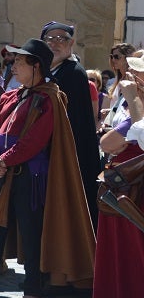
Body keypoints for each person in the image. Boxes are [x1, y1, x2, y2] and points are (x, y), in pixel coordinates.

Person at [0, 39, 95, 298]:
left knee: (32, 233)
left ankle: (34, 293)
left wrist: (4, 159)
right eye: (13, 61)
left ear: (36, 65)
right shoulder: (11, 96)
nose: (13, 66)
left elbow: (35, 140)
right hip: (2, 172)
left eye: (19, 61)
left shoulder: (51, 97)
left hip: (31, 177)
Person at [94, 56, 144, 298]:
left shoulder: (135, 105)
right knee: (124, 257)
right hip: (127, 190)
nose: (131, 80)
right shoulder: (130, 106)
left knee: (135, 258)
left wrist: (134, 102)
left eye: (137, 76)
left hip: (136, 193)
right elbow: (109, 142)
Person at [42, 21, 102, 231]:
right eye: (50, 39)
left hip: (71, 152)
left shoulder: (73, 72)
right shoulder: (49, 71)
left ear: (71, 43)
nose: (55, 43)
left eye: (62, 39)